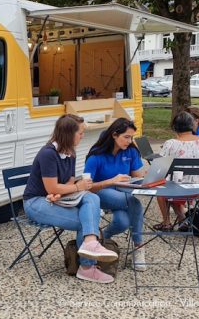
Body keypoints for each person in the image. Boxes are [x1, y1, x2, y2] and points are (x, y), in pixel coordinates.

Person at [23, 114, 118, 284]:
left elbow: (67, 181)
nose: (82, 136)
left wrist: (64, 191)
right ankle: (87, 267)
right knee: (87, 220)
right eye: (80, 133)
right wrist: (76, 187)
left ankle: (89, 243)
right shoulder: (48, 154)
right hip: (36, 202)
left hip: (56, 197)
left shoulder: (71, 152)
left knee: (92, 199)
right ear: (68, 133)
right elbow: (51, 188)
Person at [84, 118, 146, 271]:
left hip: (124, 193)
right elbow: (86, 188)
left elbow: (137, 177)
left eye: (131, 137)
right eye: (126, 137)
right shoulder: (95, 156)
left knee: (123, 222)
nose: (129, 141)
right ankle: (138, 246)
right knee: (135, 204)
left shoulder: (130, 151)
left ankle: (104, 236)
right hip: (101, 193)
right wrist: (112, 181)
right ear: (114, 135)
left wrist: (149, 178)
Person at [154, 111, 199, 231]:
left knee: (161, 187)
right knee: (173, 183)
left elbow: (160, 166)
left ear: (174, 127)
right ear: (192, 125)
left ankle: (167, 222)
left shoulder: (171, 143)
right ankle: (182, 220)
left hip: (178, 188)